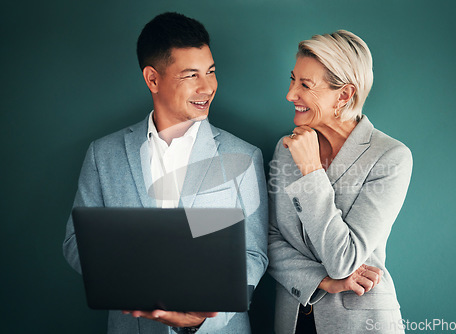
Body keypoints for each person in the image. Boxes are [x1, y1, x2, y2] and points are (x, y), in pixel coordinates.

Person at [62, 12, 268, 334]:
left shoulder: (244, 156)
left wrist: (207, 314)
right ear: (153, 79)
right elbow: (75, 242)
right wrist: (134, 283)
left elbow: (253, 254)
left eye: (211, 72)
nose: (207, 87)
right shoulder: (103, 154)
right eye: (191, 76)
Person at [267, 30, 412, 334]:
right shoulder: (285, 150)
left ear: (344, 95)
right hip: (292, 319)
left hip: (361, 322)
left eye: (305, 85)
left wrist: (310, 170)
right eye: (293, 80)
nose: (290, 95)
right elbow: (270, 239)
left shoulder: (391, 157)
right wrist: (322, 282)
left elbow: (343, 260)